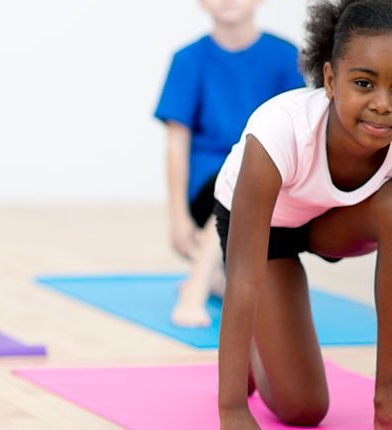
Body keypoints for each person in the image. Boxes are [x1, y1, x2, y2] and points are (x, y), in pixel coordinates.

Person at [214, 1, 392, 428]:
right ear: (331, 80)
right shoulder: (280, 131)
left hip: (332, 222)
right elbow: (243, 277)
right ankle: (256, 354)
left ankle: (389, 401)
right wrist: (233, 411)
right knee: (303, 409)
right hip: (267, 235)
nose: (382, 104)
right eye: (364, 83)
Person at [155, 0, 306, 328]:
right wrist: (178, 217)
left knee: (251, 179)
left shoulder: (285, 57)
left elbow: (299, 132)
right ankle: (195, 288)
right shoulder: (188, 60)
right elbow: (176, 143)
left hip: (268, 181)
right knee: (239, 185)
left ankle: (215, 273)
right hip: (209, 187)